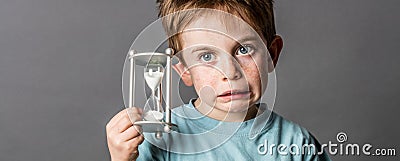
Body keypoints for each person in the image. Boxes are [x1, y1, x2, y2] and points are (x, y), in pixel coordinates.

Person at [106, 0, 331, 160]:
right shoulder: (158, 138)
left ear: (272, 54)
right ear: (184, 70)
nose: (230, 72)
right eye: (207, 56)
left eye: (244, 49)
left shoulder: (296, 143)